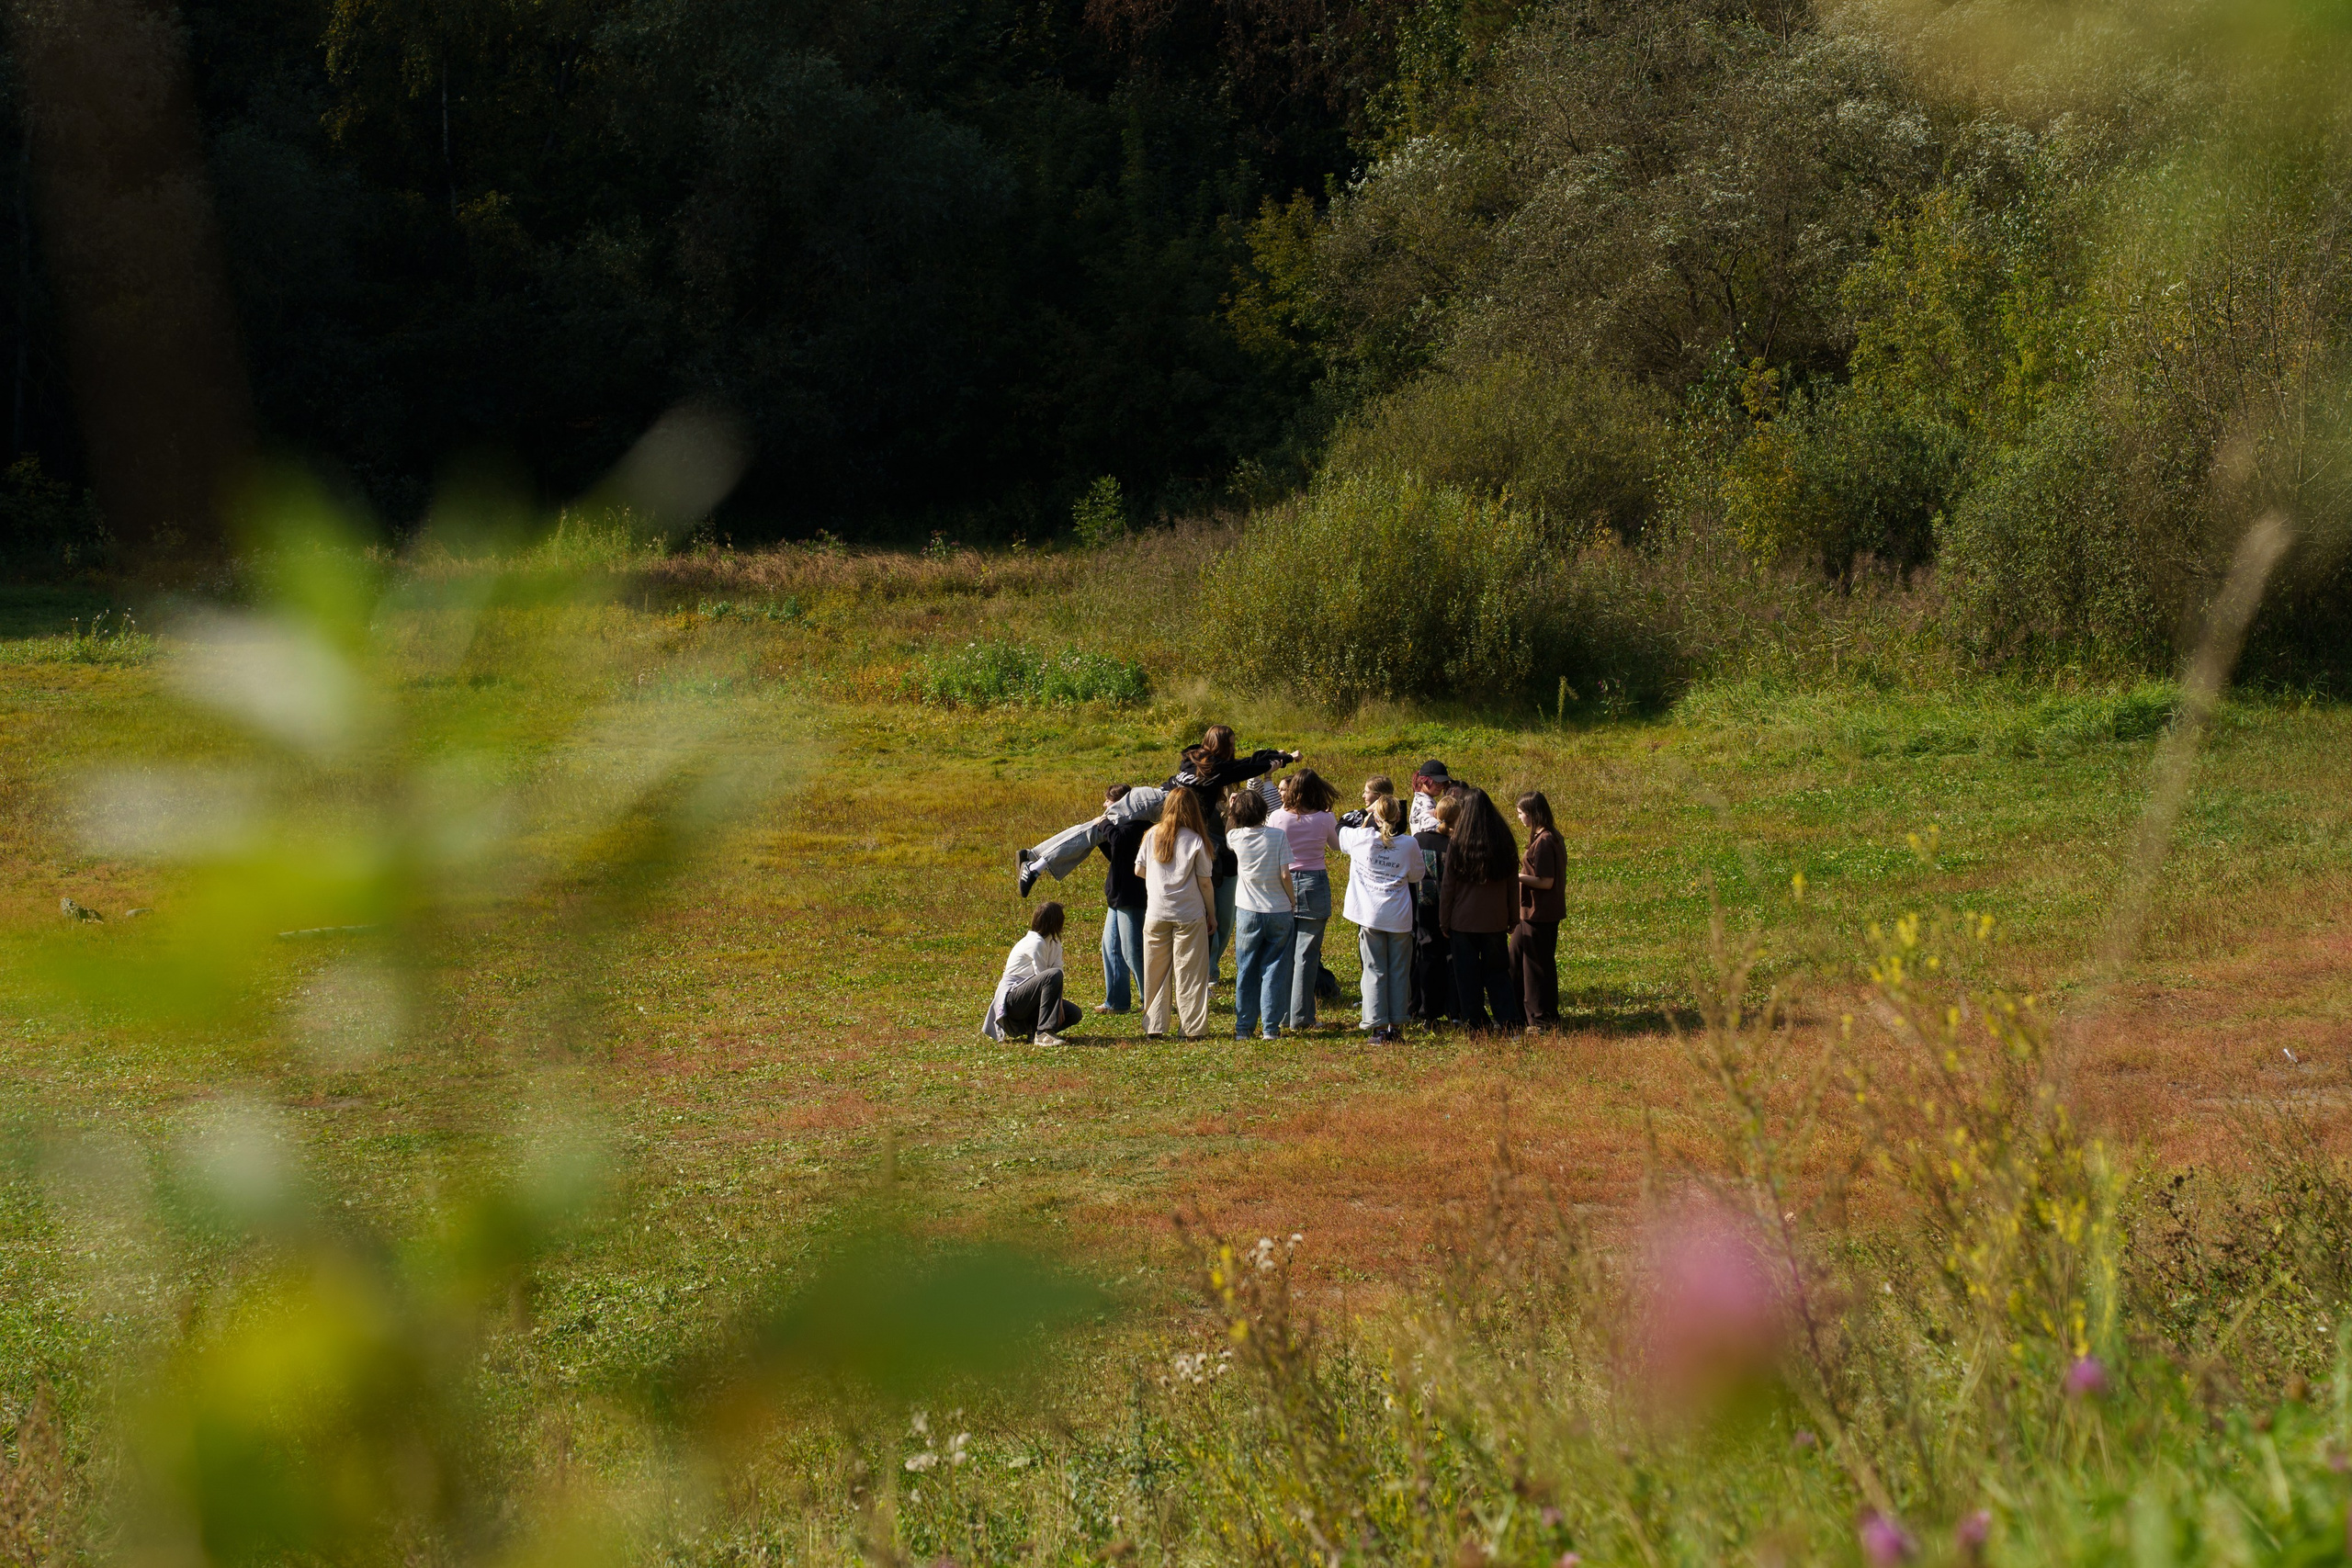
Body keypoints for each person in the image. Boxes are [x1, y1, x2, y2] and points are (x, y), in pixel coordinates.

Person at [1167, 726, 1300, 979]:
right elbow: (1244, 768)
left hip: (1192, 830)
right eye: (1231, 744)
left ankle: (1207, 967)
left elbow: (1243, 764)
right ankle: (1205, 969)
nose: (1234, 749)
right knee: (1211, 895)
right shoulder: (1211, 768)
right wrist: (1283, 760)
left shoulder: (1196, 759)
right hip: (1190, 832)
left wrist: (1276, 755)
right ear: (1220, 746)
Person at [1340, 791, 1424, 1042]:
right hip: (1398, 916)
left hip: (1370, 916)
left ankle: (1377, 1027)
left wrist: (1366, 813)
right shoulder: (1409, 843)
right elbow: (1417, 876)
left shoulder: (1360, 838)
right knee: (1399, 970)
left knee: (1374, 969)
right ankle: (1396, 1026)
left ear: (1376, 818)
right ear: (1399, 816)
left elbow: (1340, 826)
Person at [1136, 785, 1217, 1039]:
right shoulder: (1195, 840)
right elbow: (1205, 881)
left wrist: (1158, 883)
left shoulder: (1151, 835)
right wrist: (1211, 915)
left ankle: (1155, 1026)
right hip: (1188, 914)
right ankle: (1192, 1029)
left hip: (1156, 913)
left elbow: (1139, 870)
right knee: (1190, 972)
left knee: (1155, 972)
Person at [1440, 787, 1523, 1032]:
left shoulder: (1458, 843)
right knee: (1498, 974)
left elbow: (1448, 888)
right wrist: (1513, 916)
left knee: (1467, 977)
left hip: (1462, 921)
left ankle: (1475, 1024)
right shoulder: (1504, 841)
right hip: (1495, 920)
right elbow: (1511, 884)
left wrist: (1444, 921)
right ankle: (1510, 1022)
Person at [1269, 769, 1341, 1030]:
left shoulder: (1277, 817)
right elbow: (1335, 846)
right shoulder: (1325, 818)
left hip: (1283, 881)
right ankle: (1301, 1018)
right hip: (1314, 881)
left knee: (1286, 953)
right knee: (1307, 955)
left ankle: (1284, 1014)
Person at [1225, 787, 1295, 1039]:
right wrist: (1291, 900)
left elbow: (1228, 831)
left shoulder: (1235, 837)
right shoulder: (1277, 836)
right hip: (1277, 909)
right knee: (1274, 969)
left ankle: (1243, 1028)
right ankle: (1270, 1029)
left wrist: (1231, 807)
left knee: (1246, 969)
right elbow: (1286, 874)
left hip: (1248, 910)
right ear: (1264, 810)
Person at [982, 902, 1083, 1044]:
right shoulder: (1036, 943)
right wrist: (1057, 1004)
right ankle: (1043, 1033)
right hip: (1012, 1001)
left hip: (1030, 998)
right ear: (1055, 921)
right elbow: (1046, 977)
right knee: (1052, 975)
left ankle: (1033, 1031)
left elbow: (1057, 971)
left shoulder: (1054, 943)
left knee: (1074, 1013)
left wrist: (1059, 1003)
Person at [1512, 790, 1566, 1028]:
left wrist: (1517, 877)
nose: (1519, 818)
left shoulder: (1545, 841)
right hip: (1534, 912)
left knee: (1536, 967)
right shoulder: (1549, 836)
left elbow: (1546, 881)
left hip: (1539, 912)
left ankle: (1541, 1019)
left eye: (1521, 813)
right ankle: (1523, 1013)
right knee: (1520, 959)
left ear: (1533, 814)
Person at [1096, 784, 1149, 1014]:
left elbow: (1119, 842)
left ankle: (1151, 1000)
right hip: (1117, 895)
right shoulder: (1121, 826)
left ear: (1121, 804)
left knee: (1133, 951)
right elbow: (1116, 855)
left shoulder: (1137, 825)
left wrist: (1104, 825)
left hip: (1132, 895)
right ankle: (1117, 1002)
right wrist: (1101, 836)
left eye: (1109, 801)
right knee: (1110, 948)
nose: (1105, 806)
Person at [1411, 792, 1456, 1023]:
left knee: (1427, 956)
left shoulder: (1417, 839)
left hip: (1424, 906)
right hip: (1452, 908)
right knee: (1450, 956)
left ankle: (1428, 1011)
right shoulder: (1456, 843)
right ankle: (1454, 1010)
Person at [1409, 760, 1452, 834]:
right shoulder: (1425, 803)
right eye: (1437, 782)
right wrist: (1452, 832)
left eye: (1444, 783)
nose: (1441, 786)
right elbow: (1427, 822)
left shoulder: (1421, 799)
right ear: (1423, 780)